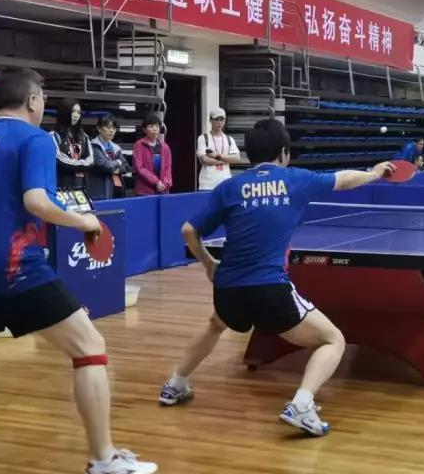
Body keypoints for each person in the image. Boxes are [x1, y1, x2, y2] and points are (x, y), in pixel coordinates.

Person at [0, 68, 157, 474]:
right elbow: (37, 201)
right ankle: (104, 462)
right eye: (43, 97)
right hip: (16, 266)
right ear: (33, 101)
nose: (44, 103)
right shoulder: (35, 140)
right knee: (90, 347)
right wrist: (84, 221)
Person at [158, 119, 395, 436]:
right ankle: (302, 404)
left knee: (217, 322)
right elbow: (344, 179)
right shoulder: (296, 179)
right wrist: (375, 173)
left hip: (228, 290)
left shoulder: (229, 188)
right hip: (270, 289)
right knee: (333, 340)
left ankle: (175, 384)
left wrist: (209, 264)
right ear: (284, 152)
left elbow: (189, 230)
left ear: (249, 153)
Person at [51, 100, 94, 189]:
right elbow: (60, 160)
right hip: (62, 185)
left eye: (78, 112)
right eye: (73, 111)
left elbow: (91, 160)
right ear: (64, 112)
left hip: (82, 184)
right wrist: (82, 163)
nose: (76, 115)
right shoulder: (54, 135)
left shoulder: (84, 136)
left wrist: (76, 163)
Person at [88, 114, 131, 201]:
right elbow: (105, 166)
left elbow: (126, 167)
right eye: (108, 127)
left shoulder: (115, 147)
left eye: (114, 128)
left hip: (117, 189)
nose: (112, 131)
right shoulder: (94, 146)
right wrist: (118, 162)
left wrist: (114, 170)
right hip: (101, 191)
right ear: (99, 128)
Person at [197, 108, 240, 191]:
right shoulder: (203, 138)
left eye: (222, 119)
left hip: (225, 182)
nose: (219, 122)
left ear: (225, 121)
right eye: (216, 119)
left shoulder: (229, 139)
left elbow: (237, 158)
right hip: (207, 185)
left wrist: (217, 156)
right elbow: (205, 160)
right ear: (210, 120)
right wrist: (226, 160)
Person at [133, 113, 172, 196]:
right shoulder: (139, 145)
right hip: (144, 191)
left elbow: (167, 169)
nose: (155, 129)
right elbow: (139, 168)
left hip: (162, 190)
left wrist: (165, 184)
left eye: (157, 126)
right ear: (144, 129)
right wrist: (156, 182)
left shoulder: (165, 147)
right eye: (151, 126)